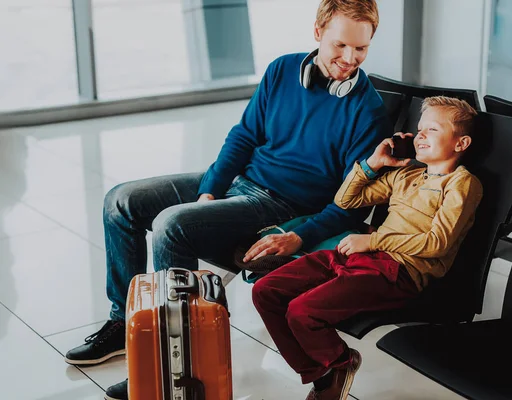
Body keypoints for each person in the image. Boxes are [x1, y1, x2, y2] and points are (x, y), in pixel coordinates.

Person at [63, 1, 389, 399]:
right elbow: (244, 136)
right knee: (121, 201)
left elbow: (353, 202)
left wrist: (299, 236)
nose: (349, 59)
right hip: (242, 180)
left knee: (172, 225)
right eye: (341, 46)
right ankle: (122, 325)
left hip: (282, 206)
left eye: (361, 49)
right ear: (318, 32)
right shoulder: (283, 70)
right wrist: (209, 191)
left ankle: (175, 361)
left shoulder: (368, 111)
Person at [252, 96, 484, 400]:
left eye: (433, 130)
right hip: (358, 254)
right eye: (419, 129)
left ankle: (339, 364)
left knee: (301, 311)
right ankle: (322, 374)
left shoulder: (461, 183)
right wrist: (372, 164)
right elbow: (346, 200)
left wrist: (373, 241)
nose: (421, 136)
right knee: (265, 291)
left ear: (460, 143)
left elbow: (437, 243)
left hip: (397, 271)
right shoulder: (405, 174)